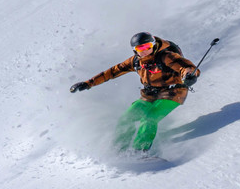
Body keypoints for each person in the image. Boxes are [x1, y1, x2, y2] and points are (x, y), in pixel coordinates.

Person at [70, 32, 201, 151]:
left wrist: (190, 75)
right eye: (140, 49)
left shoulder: (166, 56)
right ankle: (118, 150)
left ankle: (140, 152)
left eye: (148, 46)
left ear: (154, 45)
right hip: (149, 95)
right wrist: (88, 83)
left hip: (173, 93)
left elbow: (186, 67)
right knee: (126, 119)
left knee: (149, 118)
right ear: (134, 50)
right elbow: (112, 72)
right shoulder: (136, 61)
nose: (145, 51)